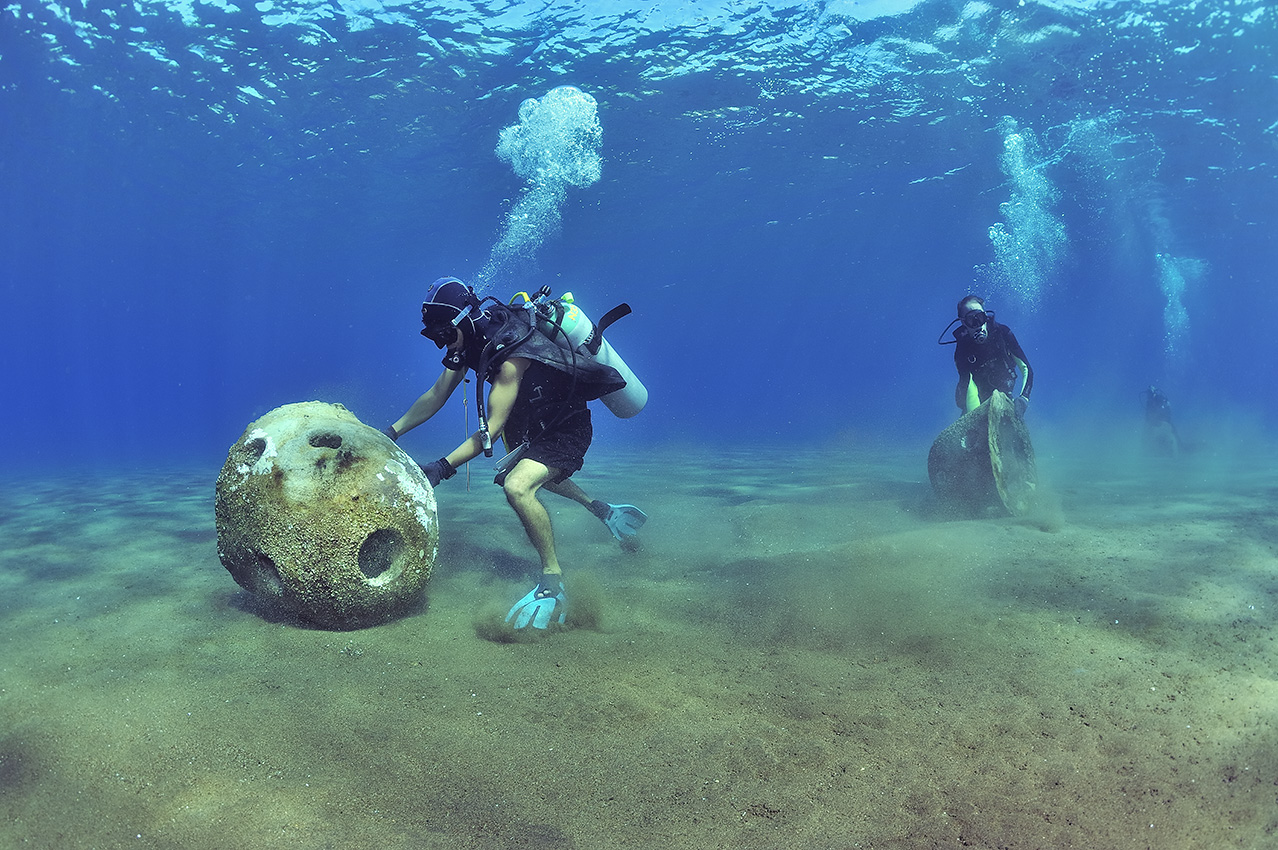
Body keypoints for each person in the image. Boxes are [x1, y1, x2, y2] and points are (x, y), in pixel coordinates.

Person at [383, 277, 647, 631]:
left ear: (464, 319)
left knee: (518, 487)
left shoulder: (510, 352)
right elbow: (435, 395)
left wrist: (441, 468)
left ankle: (553, 581)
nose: (441, 344)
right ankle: (600, 508)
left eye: (444, 333)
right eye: (435, 337)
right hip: (533, 422)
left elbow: (490, 430)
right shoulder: (469, 344)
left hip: (565, 426)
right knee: (523, 475)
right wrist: (392, 432)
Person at [941, 294, 1034, 417]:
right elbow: (969, 387)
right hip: (979, 398)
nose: (978, 324)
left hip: (1006, 392)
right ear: (963, 322)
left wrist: (1023, 399)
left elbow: (1026, 368)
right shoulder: (963, 350)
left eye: (980, 317)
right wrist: (976, 416)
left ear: (985, 316)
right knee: (962, 400)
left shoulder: (1002, 333)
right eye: (971, 320)